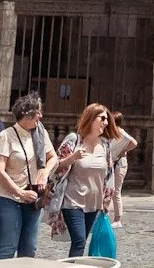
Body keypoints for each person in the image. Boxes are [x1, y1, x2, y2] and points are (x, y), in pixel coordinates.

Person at [52, 104, 137, 257]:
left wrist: (106, 201)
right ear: (91, 118)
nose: (105, 123)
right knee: (78, 241)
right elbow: (55, 168)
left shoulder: (105, 145)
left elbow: (109, 176)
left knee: (82, 240)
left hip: (94, 203)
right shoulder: (74, 140)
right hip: (73, 201)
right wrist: (72, 158)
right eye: (102, 118)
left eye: (107, 120)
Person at [0, 93, 54, 259]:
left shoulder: (40, 132)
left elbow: (53, 157)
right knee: (8, 246)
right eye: (38, 112)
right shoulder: (6, 136)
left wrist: (44, 173)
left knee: (29, 248)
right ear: (27, 113)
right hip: (6, 197)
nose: (41, 115)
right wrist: (19, 192)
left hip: (32, 198)